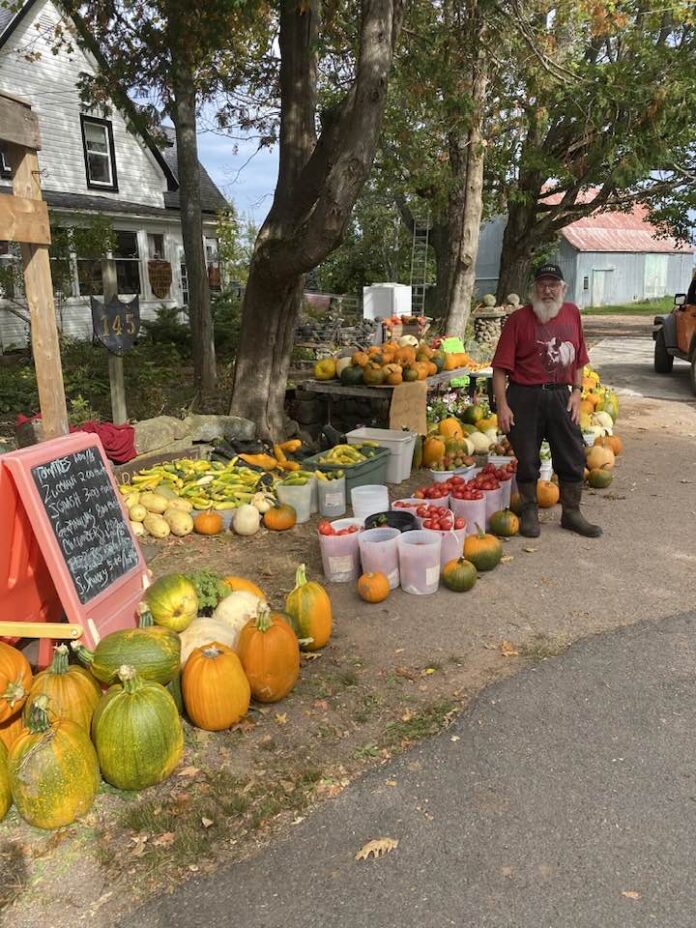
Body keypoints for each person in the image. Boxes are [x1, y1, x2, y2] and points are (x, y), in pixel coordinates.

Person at [491, 263, 601, 539]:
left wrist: (576, 391)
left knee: (572, 453)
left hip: (562, 395)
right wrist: (502, 405)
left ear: (563, 288)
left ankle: (572, 513)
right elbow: (500, 369)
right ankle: (529, 510)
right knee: (527, 458)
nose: (548, 290)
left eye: (553, 284)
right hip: (524, 395)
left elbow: (579, 359)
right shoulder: (518, 320)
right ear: (534, 289)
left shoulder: (572, 314)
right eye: (542, 284)